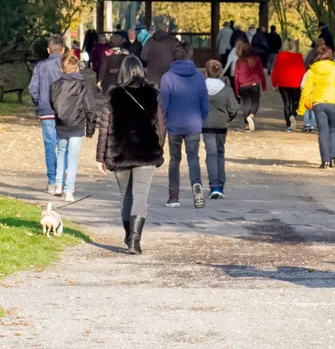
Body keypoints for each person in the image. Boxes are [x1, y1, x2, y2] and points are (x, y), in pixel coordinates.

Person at [95, 56, 165, 255]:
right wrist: (157, 147)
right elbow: (162, 125)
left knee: (125, 197)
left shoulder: (114, 96)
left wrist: (101, 157)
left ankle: (129, 237)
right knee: (140, 195)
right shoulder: (153, 94)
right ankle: (135, 239)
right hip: (145, 152)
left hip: (120, 153)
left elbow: (104, 128)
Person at [160, 42, 210, 209]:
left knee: (174, 159)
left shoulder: (167, 77)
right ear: (190, 55)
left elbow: (164, 105)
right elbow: (204, 104)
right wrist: (202, 120)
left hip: (174, 124)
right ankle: (196, 185)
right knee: (193, 158)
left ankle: (173, 196)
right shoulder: (198, 77)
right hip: (193, 124)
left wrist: (163, 123)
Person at [49, 53, 97, 203]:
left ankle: (58, 184)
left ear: (62, 69)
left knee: (61, 153)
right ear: (77, 69)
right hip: (76, 125)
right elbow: (90, 108)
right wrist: (90, 129)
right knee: (73, 158)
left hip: (61, 124)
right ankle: (69, 191)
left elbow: (52, 103)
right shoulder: (83, 86)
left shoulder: (55, 85)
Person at [297, 45, 335, 168]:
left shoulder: (312, 70)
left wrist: (301, 108)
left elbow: (306, 90)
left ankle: (324, 160)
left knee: (323, 131)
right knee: (333, 130)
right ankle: (333, 158)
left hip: (318, 103)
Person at [28, 35, 65, 194]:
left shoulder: (40, 66)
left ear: (49, 50)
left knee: (50, 146)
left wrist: (39, 103)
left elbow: (32, 88)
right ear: (63, 49)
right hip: (65, 111)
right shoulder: (67, 65)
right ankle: (61, 182)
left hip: (46, 110)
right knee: (64, 146)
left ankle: (51, 182)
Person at [202, 59, 239, 199]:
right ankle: (220, 186)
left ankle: (214, 186)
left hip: (206, 125)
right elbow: (234, 108)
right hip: (221, 125)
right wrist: (227, 118)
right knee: (220, 153)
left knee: (210, 154)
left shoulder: (201, 88)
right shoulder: (227, 90)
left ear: (206, 73)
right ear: (221, 72)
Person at [233, 41, 269, 131]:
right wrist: (264, 86)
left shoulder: (239, 61)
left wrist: (236, 90)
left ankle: (246, 126)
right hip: (254, 84)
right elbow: (261, 72)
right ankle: (251, 115)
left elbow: (236, 76)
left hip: (243, 85)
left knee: (246, 104)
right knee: (255, 102)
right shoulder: (256, 59)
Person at [271, 39, 306, 131]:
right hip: (295, 83)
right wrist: (303, 83)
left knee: (286, 104)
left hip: (283, 83)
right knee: (296, 103)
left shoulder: (281, 55)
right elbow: (302, 70)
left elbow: (276, 70)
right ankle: (293, 115)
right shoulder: (299, 56)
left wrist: (274, 83)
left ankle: (288, 126)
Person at [140, 18, 176, 85]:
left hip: (153, 76)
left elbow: (143, 57)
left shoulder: (150, 41)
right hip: (169, 75)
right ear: (166, 30)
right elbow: (178, 56)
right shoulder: (173, 42)